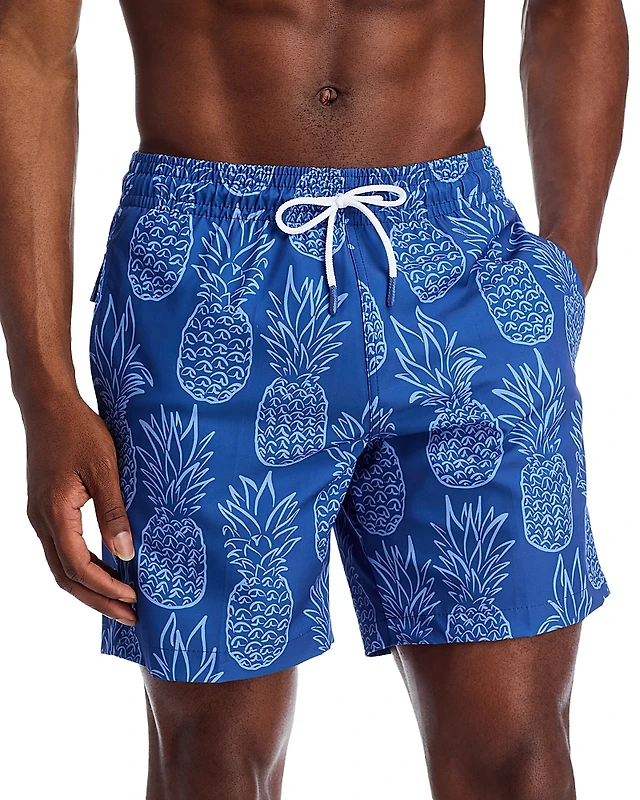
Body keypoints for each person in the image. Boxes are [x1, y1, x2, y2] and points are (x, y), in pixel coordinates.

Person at [0, 1, 629, 798]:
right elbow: (27, 45)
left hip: (462, 264)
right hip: (206, 277)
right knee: (214, 758)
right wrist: (42, 388)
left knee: (517, 757)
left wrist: (567, 264)